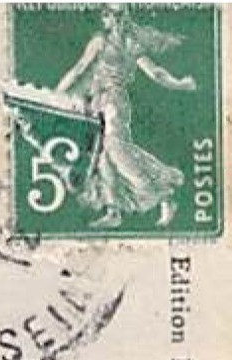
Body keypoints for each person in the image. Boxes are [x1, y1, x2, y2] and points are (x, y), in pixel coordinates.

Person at [52, 4, 198, 230]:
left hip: (114, 102)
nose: (112, 20)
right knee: (101, 157)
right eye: (109, 15)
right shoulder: (104, 42)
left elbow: (155, 72)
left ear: (121, 17)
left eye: (115, 15)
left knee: (118, 151)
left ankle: (164, 195)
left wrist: (179, 84)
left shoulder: (129, 44)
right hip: (96, 103)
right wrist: (56, 95)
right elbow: (79, 69)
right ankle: (113, 211)